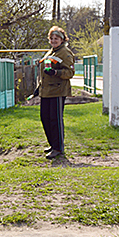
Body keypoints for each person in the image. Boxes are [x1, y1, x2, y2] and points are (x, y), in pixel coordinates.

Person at [38, 26, 75, 159]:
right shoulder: (51, 52)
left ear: (62, 39)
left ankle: (58, 148)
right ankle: (53, 144)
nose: (54, 41)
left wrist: (56, 72)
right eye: (52, 38)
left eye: (57, 38)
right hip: (46, 91)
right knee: (45, 118)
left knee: (55, 120)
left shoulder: (65, 53)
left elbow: (70, 72)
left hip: (58, 91)